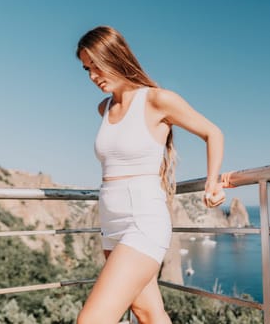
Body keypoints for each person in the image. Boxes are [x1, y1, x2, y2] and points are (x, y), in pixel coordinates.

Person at [76, 26, 227, 324]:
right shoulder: (103, 108)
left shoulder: (158, 100)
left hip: (143, 220)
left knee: (91, 321)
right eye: (86, 69)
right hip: (110, 223)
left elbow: (213, 132)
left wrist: (212, 182)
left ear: (116, 56)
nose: (93, 76)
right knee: (148, 313)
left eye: (97, 65)